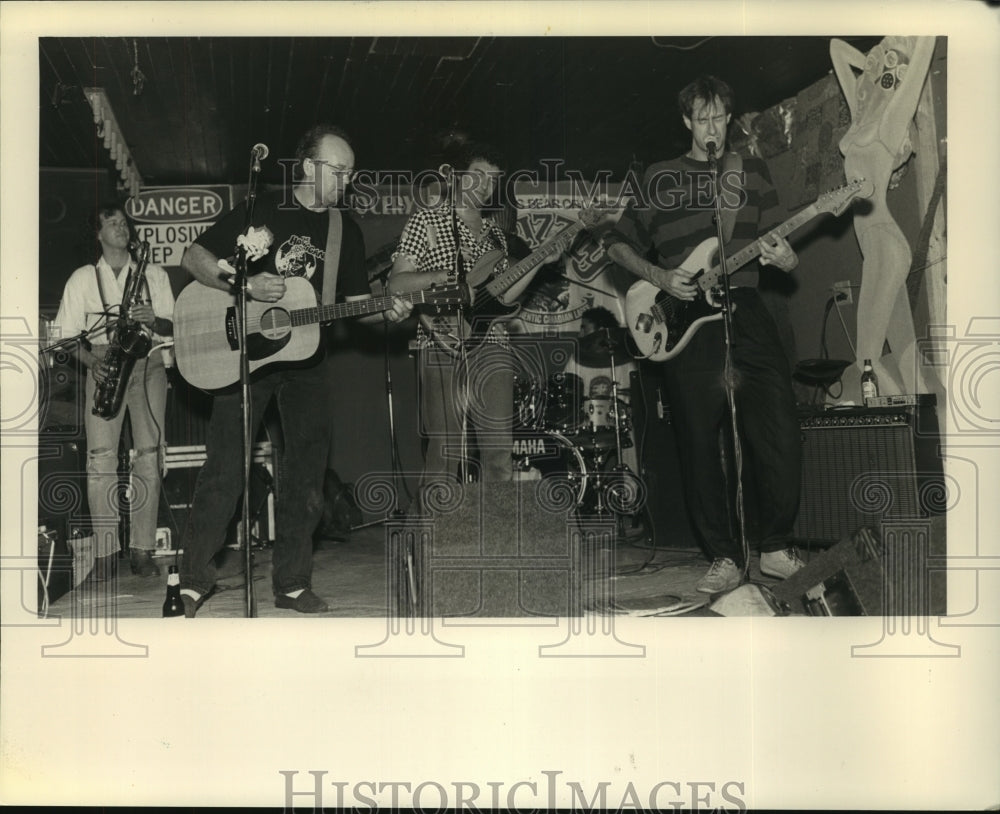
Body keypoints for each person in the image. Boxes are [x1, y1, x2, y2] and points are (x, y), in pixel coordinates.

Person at [177, 124, 412, 615]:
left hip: (306, 360)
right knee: (224, 471)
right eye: (338, 169)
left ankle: (291, 583)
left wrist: (388, 308)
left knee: (306, 474)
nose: (346, 179)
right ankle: (194, 580)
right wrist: (239, 285)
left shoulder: (344, 228)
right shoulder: (262, 208)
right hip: (242, 355)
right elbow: (193, 256)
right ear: (308, 167)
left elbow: (354, 305)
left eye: (351, 171)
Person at [602, 75, 804, 595]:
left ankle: (777, 547)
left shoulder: (750, 171)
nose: (713, 127)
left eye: (720, 118)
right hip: (684, 320)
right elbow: (615, 245)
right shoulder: (659, 177)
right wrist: (659, 277)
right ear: (687, 121)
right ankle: (724, 556)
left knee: (778, 425)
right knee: (697, 440)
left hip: (748, 308)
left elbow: (778, 241)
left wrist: (785, 257)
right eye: (703, 118)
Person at [388, 141, 544, 491]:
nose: (485, 186)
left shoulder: (496, 237)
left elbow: (503, 295)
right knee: (445, 453)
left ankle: (497, 541)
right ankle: (434, 541)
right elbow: (396, 283)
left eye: (492, 180)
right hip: (443, 342)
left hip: (493, 345)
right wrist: (443, 279)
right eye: (478, 175)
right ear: (458, 176)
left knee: (499, 457)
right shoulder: (426, 220)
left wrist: (539, 262)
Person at [52, 202, 175, 581]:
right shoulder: (83, 278)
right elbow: (64, 337)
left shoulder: (153, 274)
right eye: (112, 223)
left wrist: (153, 318)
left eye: (124, 223)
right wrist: (92, 363)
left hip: (148, 362)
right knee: (101, 459)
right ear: (98, 234)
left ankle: (142, 550)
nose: (121, 228)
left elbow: (174, 326)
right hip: (104, 365)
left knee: (148, 457)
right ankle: (106, 554)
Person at [830, 36, 936, 397]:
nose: (875, 68)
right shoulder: (861, 119)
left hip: (885, 245)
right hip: (875, 249)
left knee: (867, 360)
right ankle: (932, 417)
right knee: (906, 353)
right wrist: (874, 66)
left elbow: (923, 53)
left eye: (882, 66)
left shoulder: (891, 123)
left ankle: (871, 418)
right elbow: (835, 48)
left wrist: (896, 65)